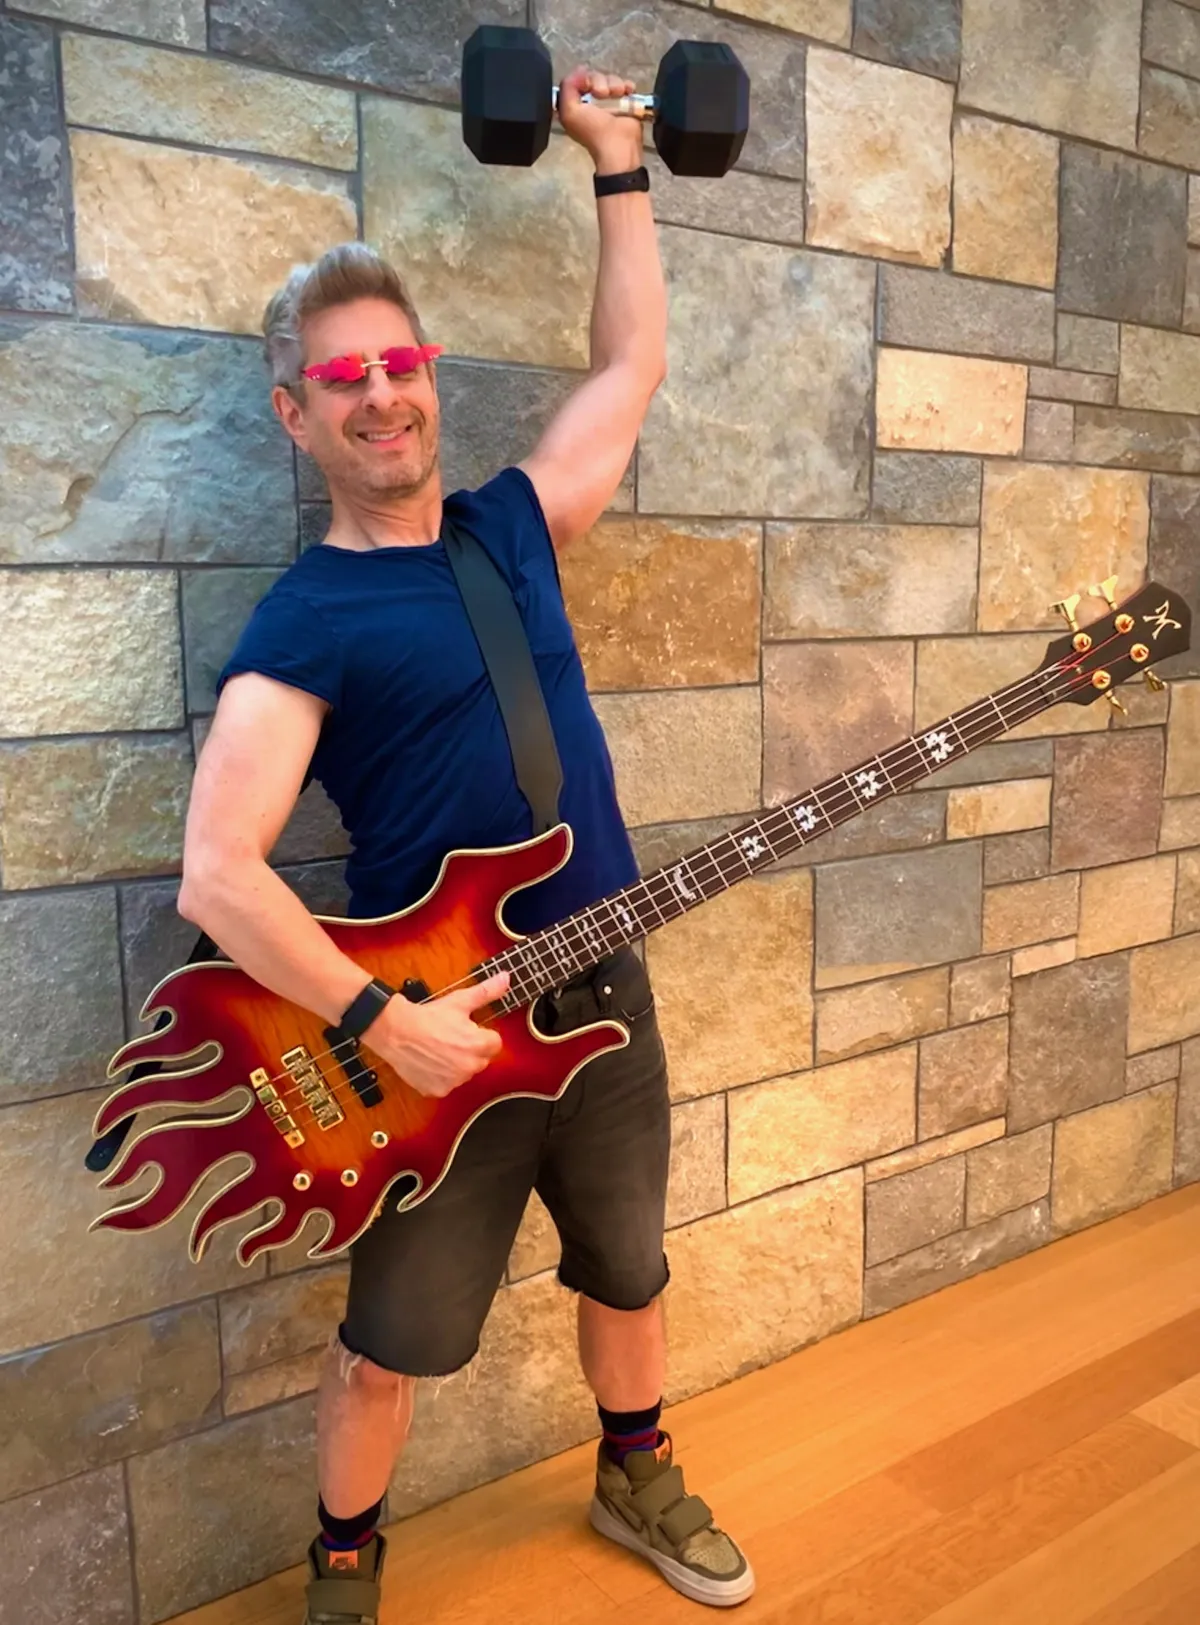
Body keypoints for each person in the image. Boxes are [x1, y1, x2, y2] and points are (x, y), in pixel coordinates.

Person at [177, 65, 754, 1623]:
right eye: (343, 381)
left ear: (429, 379)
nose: (384, 395)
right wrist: (382, 1022)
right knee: (391, 1348)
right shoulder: (302, 620)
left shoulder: (512, 526)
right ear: (299, 417)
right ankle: (344, 1569)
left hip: (603, 985)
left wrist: (617, 163)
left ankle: (636, 1475)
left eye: (400, 365)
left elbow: (630, 363)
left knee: (630, 1268)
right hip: (426, 1030)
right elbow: (218, 873)